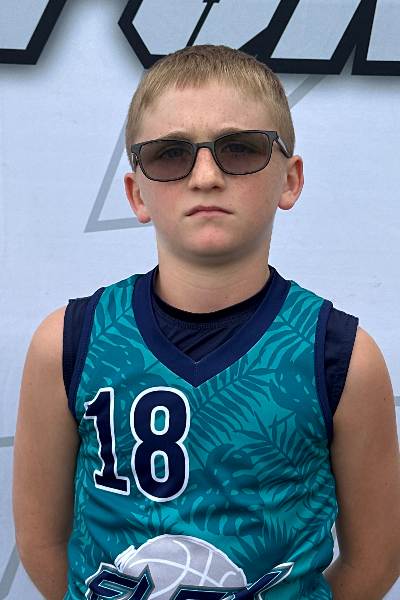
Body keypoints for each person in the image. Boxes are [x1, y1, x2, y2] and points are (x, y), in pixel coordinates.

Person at [13, 45, 400, 600]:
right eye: (170, 154)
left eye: (239, 148)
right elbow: (43, 543)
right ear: (136, 193)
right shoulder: (68, 343)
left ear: (290, 180)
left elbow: (375, 559)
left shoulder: (342, 358)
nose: (205, 176)